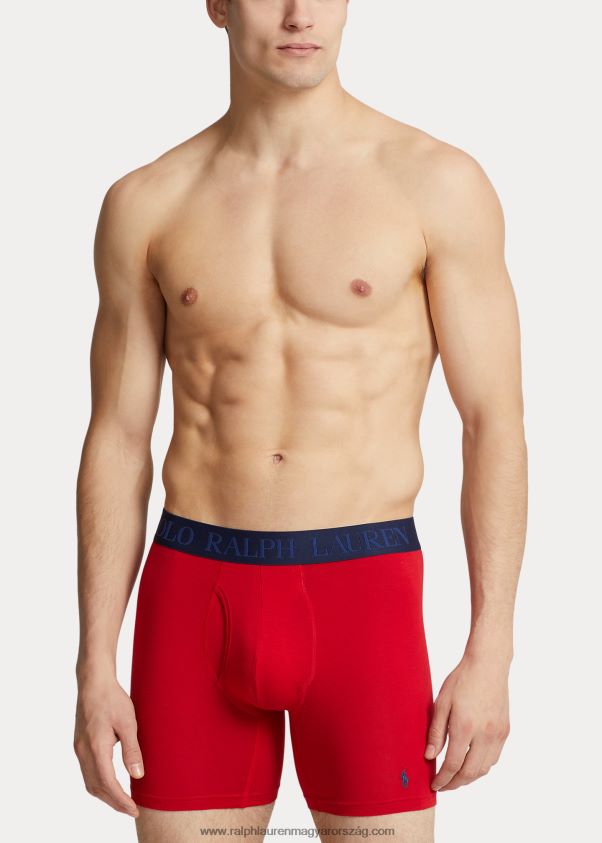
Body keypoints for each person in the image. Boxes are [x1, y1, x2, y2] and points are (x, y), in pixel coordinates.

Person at [73, 2, 527, 841]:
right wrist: (93, 663)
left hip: (366, 596)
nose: (297, 14)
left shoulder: (435, 184)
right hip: (194, 595)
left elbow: (492, 421)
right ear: (217, 5)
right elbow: (118, 437)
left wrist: (491, 646)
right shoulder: (147, 202)